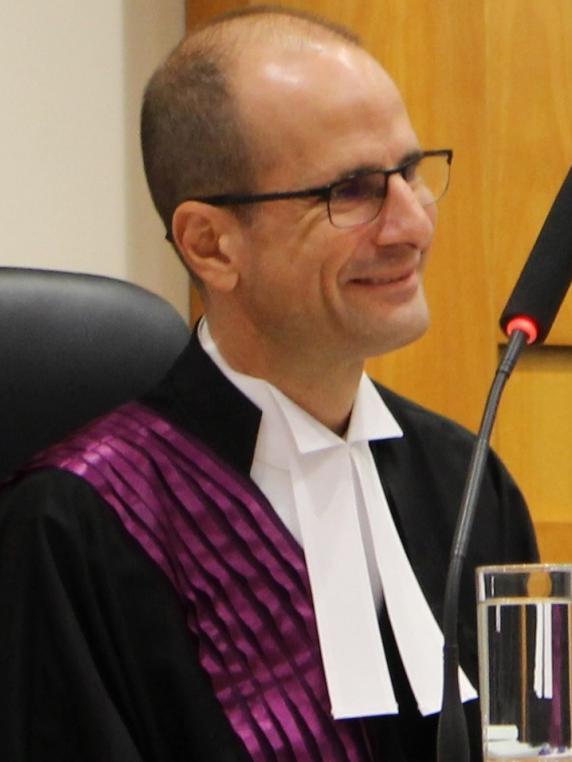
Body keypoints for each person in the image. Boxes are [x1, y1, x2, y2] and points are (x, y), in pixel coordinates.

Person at [0, 6, 538, 761]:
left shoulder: (467, 484)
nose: (412, 223)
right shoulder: (72, 530)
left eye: (411, 173)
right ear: (211, 244)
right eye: (351, 191)